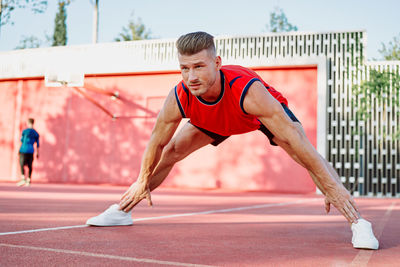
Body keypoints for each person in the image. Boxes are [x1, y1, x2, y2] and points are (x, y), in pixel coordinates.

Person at [86, 32, 379, 250]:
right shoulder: (180, 96)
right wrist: (141, 179)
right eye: (185, 68)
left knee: (305, 157)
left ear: (217, 62)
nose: (191, 76)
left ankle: (357, 221)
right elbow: (156, 142)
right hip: (217, 120)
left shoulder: (249, 91)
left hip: (256, 115)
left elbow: (301, 144)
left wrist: (327, 185)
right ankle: (121, 210)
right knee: (172, 150)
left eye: (199, 67)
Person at [17, 118, 39, 187]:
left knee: (21, 163)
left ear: (28, 123)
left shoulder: (24, 131)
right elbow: (37, 144)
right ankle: (28, 179)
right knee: (29, 165)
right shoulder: (36, 133)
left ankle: (23, 178)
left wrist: (19, 149)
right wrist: (37, 152)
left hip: (23, 150)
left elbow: (22, 141)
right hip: (31, 150)